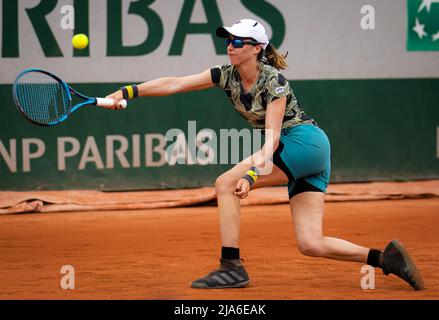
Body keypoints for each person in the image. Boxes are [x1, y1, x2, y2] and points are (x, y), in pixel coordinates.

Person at [103, 19, 424, 291]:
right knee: (310, 243)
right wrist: (127, 91)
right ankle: (385, 259)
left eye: (238, 41)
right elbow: (174, 84)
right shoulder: (225, 75)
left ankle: (232, 266)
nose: (231, 46)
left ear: (257, 48)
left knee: (226, 184)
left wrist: (253, 174)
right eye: (228, 40)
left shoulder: (275, 82)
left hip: (304, 144)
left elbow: (271, 138)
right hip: (298, 152)